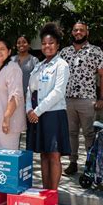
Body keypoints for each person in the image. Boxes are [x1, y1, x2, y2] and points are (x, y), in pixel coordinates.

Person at [60, 21, 103, 175]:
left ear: (87, 33)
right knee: (71, 133)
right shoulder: (64, 52)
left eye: (81, 30)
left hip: (87, 99)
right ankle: (72, 162)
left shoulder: (95, 51)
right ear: (72, 32)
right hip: (67, 99)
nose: (78, 32)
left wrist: (102, 97)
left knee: (89, 133)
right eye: (75, 30)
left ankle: (91, 164)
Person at [26, 23, 70, 190]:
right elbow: (30, 89)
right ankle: (45, 192)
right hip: (36, 114)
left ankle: (53, 193)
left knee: (54, 154)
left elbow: (58, 92)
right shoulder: (39, 65)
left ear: (57, 45)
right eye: (44, 43)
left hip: (53, 113)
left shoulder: (62, 65)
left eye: (51, 43)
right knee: (43, 154)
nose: (47, 46)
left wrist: (36, 111)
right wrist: (29, 109)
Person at [0, 39, 26, 149]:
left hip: (8, 123)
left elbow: (15, 95)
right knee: (1, 161)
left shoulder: (12, 68)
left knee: (9, 160)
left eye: (2, 49)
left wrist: (6, 118)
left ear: (9, 52)